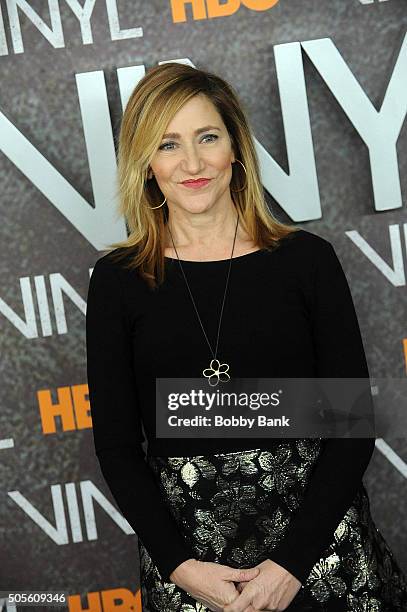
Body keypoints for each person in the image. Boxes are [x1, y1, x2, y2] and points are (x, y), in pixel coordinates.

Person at [85, 62, 407, 611]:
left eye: (207, 137)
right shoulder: (119, 282)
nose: (192, 163)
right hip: (193, 568)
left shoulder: (307, 262)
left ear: (234, 147)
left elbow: (350, 430)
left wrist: (291, 566)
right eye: (167, 144)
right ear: (145, 163)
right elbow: (117, 448)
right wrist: (182, 569)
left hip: (321, 556)